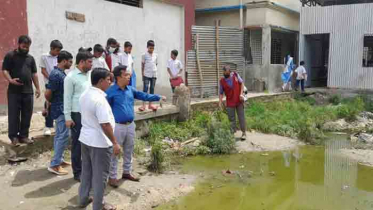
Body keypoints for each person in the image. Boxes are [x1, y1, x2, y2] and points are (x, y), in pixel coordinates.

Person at [106, 65, 166, 188]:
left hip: (130, 125)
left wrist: (158, 97)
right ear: (118, 77)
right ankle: (112, 177)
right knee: (115, 152)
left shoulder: (130, 89)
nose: (129, 77)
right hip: (117, 126)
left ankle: (127, 172)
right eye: (126, 75)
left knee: (129, 149)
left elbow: (144, 95)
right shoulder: (110, 92)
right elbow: (104, 109)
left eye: (129, 75)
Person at [78, 68, 120, 210]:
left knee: (87, 171)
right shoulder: (99, 100)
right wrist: (114, 142)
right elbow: (105, 124)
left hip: (85, 139)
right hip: (99, 143)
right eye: (108, 80)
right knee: (100, 176)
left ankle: (83, 199)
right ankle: (99, 205)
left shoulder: (85, 94)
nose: (110, 82)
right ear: (101, 81)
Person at [1, 35, 41, 146]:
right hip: (14, 91)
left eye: (27, 47)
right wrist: (10, 80)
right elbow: (5, 70)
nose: (25, 48)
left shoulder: (30, 58)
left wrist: (37, 88)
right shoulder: (10, 56)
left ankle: (24, 136)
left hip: (28, 91)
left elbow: (34, 74)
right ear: (19, 44)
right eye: (24, 46)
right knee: (14, 115)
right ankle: (13, 137)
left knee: (27, 114)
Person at [64, 50, 93, 182]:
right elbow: (67, 98)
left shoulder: (89, 75)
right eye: (89, 62)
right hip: (76, 115)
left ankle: (87, 169)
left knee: (89, 143)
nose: (91, 64)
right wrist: (68, 118)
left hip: (89, 114)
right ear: (81, 62)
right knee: (77, 144)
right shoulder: (70, 77)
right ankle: (77, 172)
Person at [45, 51, 73, 175]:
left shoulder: (60, 73)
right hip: (60, 109)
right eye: (70, 62)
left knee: (59, 135)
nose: (71, 64)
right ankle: (55, 165)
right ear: (64, 61)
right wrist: (52, 103)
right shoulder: (56, 74)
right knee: (63, 136)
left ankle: (59, 160)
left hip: (61, 108)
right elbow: (48, 93)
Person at [40, 40, 63, 136]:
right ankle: (48, 126)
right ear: (51, 48)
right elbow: (43, 70)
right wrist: (52, 78)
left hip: (59, 84)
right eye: (57, 50)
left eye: (59, 51)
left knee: (58, 104)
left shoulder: (59, 57)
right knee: (49, 103)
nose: (58, 53)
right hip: (49, 83)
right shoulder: (44, 57)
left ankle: (57, 124)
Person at [219, 66, 247, 141]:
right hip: (230, 102)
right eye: (224, 72)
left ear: (229, 71)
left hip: (238, 100)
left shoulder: (235, 75)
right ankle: (232, 134)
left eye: (226, 72)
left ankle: (244, 133)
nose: (225, 73)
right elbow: (221, 93)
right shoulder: (222, 81)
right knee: (231, 119)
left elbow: (242, 84)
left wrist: (241, 94)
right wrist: (220, 102)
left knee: (241, 117)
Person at [139, 40, 158, 111]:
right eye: (150, 48)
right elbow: (142, 65)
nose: (151, 49)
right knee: (145, 89)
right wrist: (142, 74)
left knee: (152, 89)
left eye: (153, 48)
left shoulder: (156, 55)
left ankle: (150, 105)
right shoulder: (144, 55)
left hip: (154, 74)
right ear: (147, 47)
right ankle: (143, 105)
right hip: (146, 74)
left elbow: (156, 64)